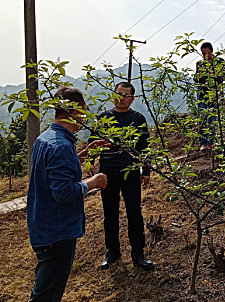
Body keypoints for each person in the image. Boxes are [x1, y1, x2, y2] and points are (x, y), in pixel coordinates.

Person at [27, 87, 108, 301]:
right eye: (84, 109)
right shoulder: (61, 146)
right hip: (57, 232)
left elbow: (52, 171)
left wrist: (82, 154)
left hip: (43, 226)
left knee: (44, 286)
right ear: (75, 111)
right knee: (47, 295)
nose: (85, 115)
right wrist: (93, 182)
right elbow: (63, 193)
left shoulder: (47, 138)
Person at [94, 81, 154, 271]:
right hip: (108, 174)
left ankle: (138, 254)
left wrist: (146, 171)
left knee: (134, 213)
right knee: (109, 214)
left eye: (126, 96)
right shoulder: (103, 118)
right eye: (119, 94)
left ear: (132, 99)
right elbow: (92, 144)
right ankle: (112, 252)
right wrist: (91, 165)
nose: (121, 98)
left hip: (130, 173)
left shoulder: (138, 119)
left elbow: (145, 147)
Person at [194, 42, 225, 150]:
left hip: (215, 94)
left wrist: (213, 76)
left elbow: (224, 76)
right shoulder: (200, 64)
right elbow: (197, 79)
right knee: (202, 117)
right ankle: (203, 143)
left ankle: (212, 142)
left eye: (207, 53)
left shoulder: (220, 62)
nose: (205, 56)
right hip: (203, 94)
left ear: (211, 52)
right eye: (203, 54)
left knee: (212, 118)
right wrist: (204, 77)